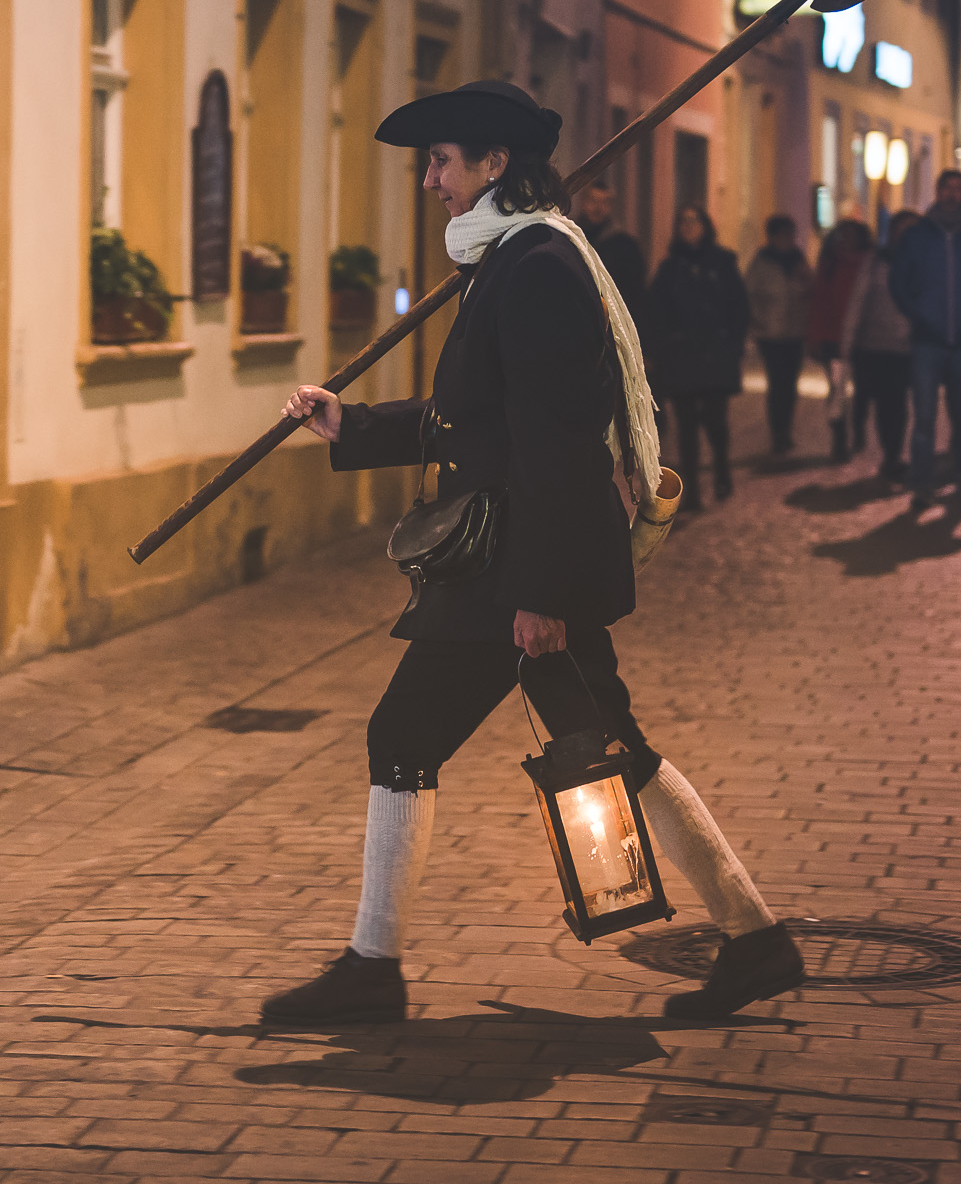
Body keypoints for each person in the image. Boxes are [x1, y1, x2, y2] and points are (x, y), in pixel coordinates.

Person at [266, 79, 802, 1028]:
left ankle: (371, 969)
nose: (429, 179)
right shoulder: (508, 260)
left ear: (493, 165)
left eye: (440, 161)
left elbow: (556, 440)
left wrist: (543, 593)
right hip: (515, 558)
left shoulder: (539, 267)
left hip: (515, 566)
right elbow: (477, 420)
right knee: (614, 746)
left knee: (403, 737)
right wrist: (351, 423)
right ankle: (756, 940)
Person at [889, 170, 961, 501]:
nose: (953, 195)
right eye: (947, 188)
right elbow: (899, 281)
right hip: (928, 338)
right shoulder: (918, 236)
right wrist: (916, 312)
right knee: (924, 416)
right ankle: (922, 481)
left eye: (959, 189)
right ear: (938, 191)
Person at [644, 207, 750, 511]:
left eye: (694, 221)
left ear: (705, 226)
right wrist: (657, 348)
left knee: (716, 422)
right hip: (682, 358)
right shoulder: (670, 268)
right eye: (683, 222)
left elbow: (738, 308)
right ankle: (691, 490)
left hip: (715, 355)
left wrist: (732, 344)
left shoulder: (723, 263)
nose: (688, 227)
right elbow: (656, 311)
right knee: (687, 426)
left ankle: (721, 470)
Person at [842, 211, 918, 484]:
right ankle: (889, 451)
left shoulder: (923, 261)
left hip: (905, 345)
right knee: (881, 402)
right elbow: (857, 301)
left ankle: (893, 454)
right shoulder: (875, 261)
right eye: (902, 229)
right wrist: (847, 342)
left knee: (897, 403)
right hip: (872, 344)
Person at [744, 215, 812, 456]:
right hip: (770, 333)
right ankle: (778, 433)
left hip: (795, 332)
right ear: (772, 237)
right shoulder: (762, 262)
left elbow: (811, 291)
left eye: (790, 235)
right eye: (782, 235)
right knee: (776, 383)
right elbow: (749, 295)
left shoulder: (799, 260)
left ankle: (786, 430)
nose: (787, 240)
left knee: (790, 384)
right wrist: (757, 322)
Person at [807, 219, 874, 463]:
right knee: (837, 389)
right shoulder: (830, 264)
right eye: (842, 235)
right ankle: (839, 438)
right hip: (833, 339)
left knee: (863, 389)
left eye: (851, 235)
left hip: (863, 339)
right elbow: (819, 302)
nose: (846, 240)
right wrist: (816, 337)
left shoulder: (869, 264)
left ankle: (858, 430)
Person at [573, 181, 648, 329]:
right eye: (593, 201)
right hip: (577, 321)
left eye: (604, 202)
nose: (598, 207)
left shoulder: (625, 246)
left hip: (614, 325)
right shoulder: (570, 240)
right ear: (583, 202)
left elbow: (635, 294)